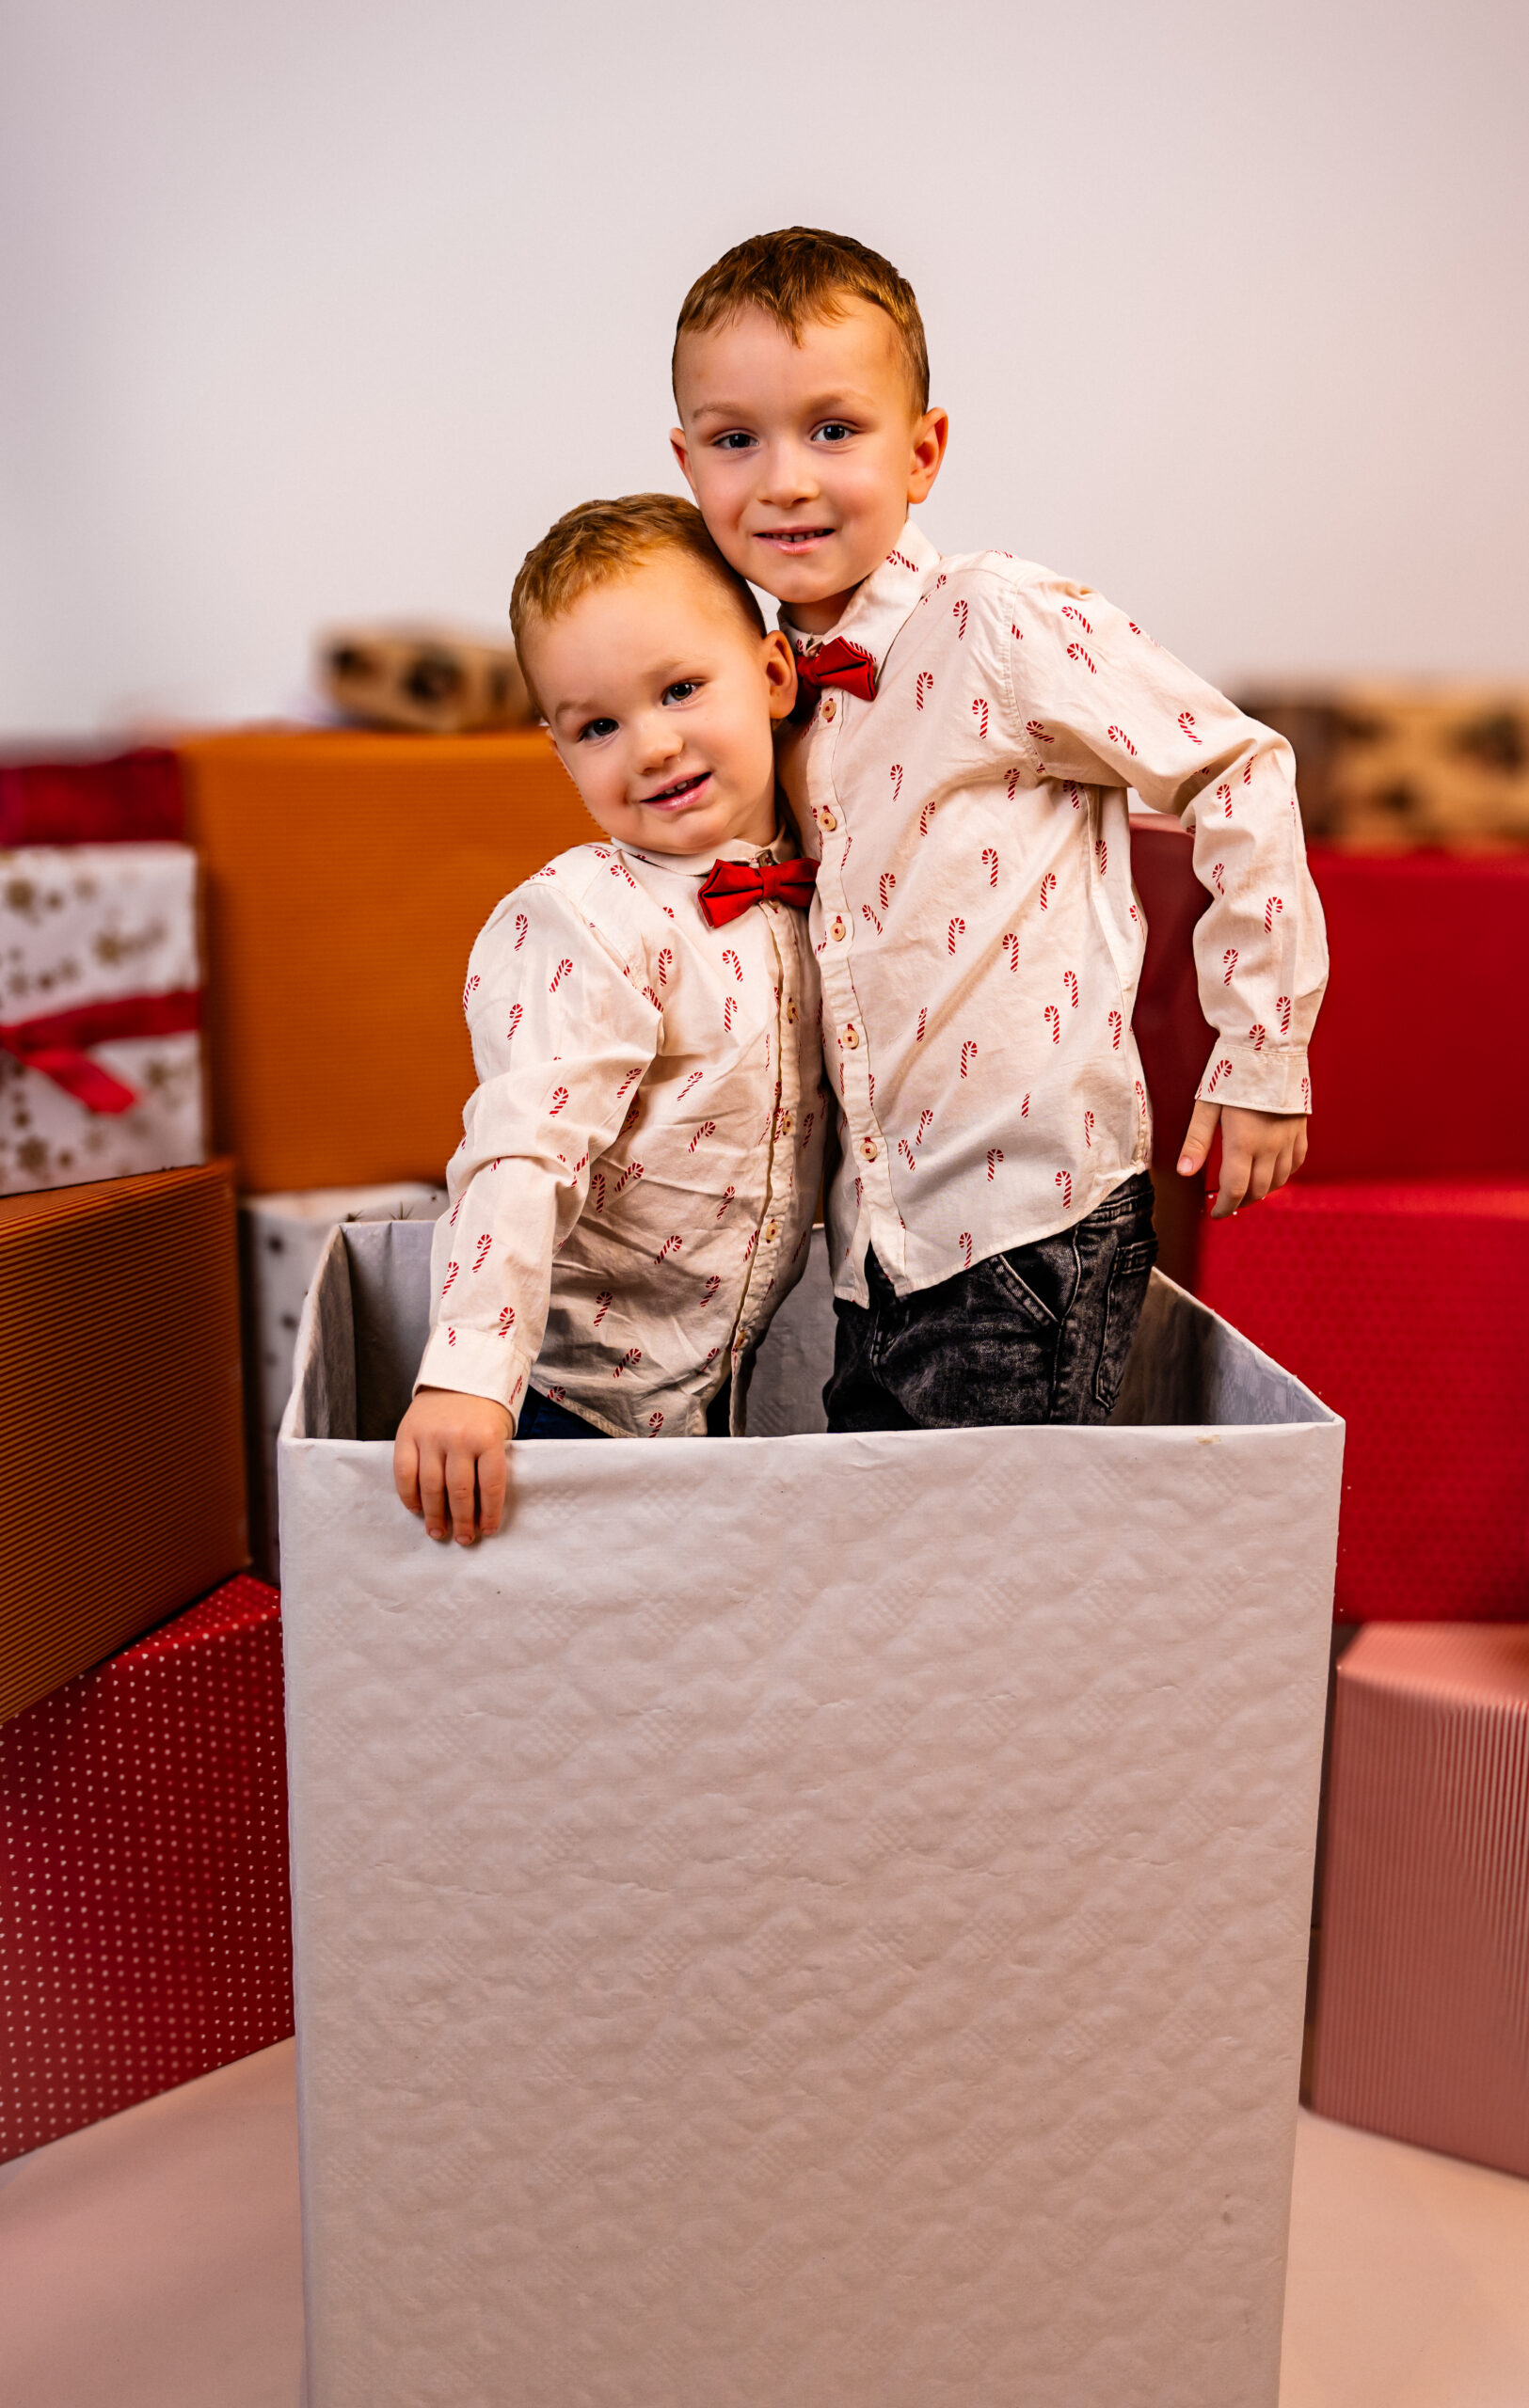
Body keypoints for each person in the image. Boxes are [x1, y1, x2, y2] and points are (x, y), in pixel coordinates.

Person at [669, 226, 1328, 1434]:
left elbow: (1236, 766)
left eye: (832, 429)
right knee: (882, 1538)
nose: (784, 480)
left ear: (921, 452)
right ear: (686, 461)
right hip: (879, 1245)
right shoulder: (760, 699)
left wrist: (1261, 1051)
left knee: (987, 1546)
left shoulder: (996, 620)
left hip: (1028, 1220)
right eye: (734, 439)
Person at [393, 494, 827, 1543]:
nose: (652, 745)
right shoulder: (586, 919)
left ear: (774, 675)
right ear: (559, 752)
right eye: (598, 726)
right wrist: (469, 1373)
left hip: (712, 1385)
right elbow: (522, 1147)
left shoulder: (828, 875)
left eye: (680, 688)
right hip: (566, 1397)